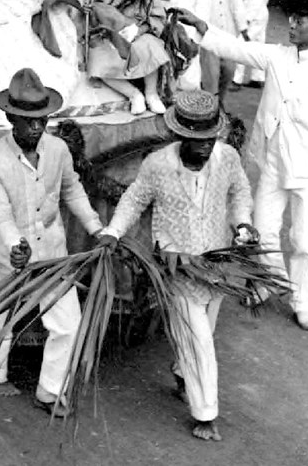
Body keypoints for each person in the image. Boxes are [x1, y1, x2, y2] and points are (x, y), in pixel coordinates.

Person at [99, 91, 255, 442]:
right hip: (176, 267)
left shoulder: (226, 158)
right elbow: (134, 199)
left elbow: (240, 191)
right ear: (180, 135)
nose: (204, 147)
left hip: (217, 264)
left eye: (210, 139)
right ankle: (205, 415)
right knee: (199, 339)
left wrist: (243, 224)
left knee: (204, 331)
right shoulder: (158, 164)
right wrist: (112, 232)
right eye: (196, 140)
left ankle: (182, 372)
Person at [199, 0, 308, 331]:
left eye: (302, 19)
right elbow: (236, 48)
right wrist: (202, 28)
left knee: (305, 240)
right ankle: (270, 282)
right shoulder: (277, 55)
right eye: (292, 17)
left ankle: (302, 301)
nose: (292, 24)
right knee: (262, 231)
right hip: (272, 160)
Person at [0, 69, 104, 415]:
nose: (36, 127)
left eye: (41, 120)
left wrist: (95, 226)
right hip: (10, 256)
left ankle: (48, 391)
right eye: (27, 121)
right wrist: (16, 244)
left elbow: (71, 189)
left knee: (68, 323)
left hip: (52, 254)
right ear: (10, 118)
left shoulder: (58, 149)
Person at [88, 0, 169, 115]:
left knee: (150, 47)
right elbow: (95, 8)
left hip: (141, 33)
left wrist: (139, 31)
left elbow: (158, 18)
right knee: (98, 59)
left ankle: (151, 95)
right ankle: (134, 95)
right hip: (110, 36)